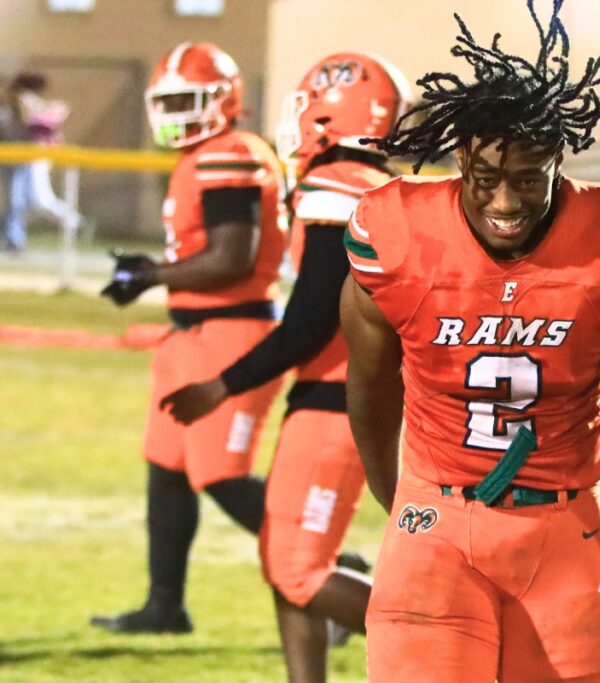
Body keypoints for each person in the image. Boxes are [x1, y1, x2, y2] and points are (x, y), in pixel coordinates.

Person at [339, 1, 600, 680]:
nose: (505, 203)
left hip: (562, 534)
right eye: (486, 179)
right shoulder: (396, 238)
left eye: (526, 181)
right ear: (458, 160)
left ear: (557, 162)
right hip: (438, 523)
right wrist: (399, 497)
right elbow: (366, 386)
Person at [159, 53, 410, 682]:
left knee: (299, 569)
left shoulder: (337, 185)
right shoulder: (378, 183)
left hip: (335, 397)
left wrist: (221, 384)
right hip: (350, 394)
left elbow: (308, 323)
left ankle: (452, 642)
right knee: (287, 558)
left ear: (329, 115)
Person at [90, 41, 287, 634]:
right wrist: (154, 274)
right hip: (192, 335)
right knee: (167, 467)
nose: (176, 111)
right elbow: (210, 255)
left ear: (225, 100)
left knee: (221, 476)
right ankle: (164, 605)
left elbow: (231, 259)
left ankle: (330, 573)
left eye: (187, 98)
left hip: (233, 335)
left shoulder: (232, 153)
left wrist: (149, 275)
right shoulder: (202, 155)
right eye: (168, 100)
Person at [0, 72, 84, 253]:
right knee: (16, 202)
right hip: (10, 159)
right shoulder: (8, 103)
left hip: (29, 159)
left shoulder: (26, 101)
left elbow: (54, 113)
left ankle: (77, 223)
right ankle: (13, 241)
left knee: (38, 201)